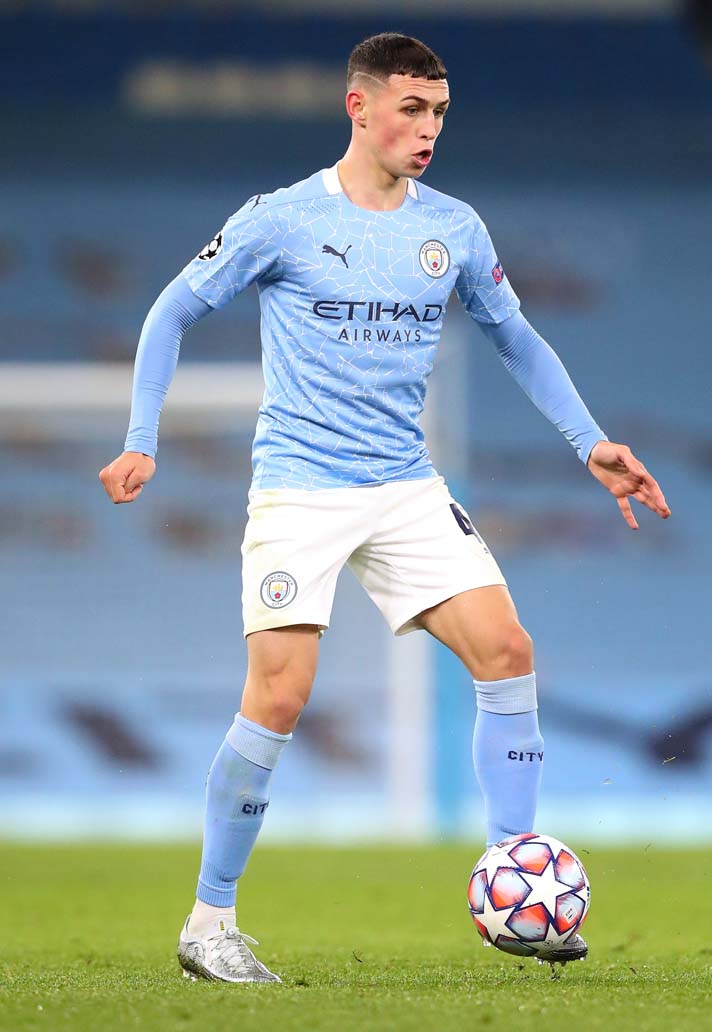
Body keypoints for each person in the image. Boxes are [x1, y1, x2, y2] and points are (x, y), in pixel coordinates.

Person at [98, 32, 670, 983]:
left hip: (405, 484)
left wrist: (591, 442)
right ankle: (209, 922)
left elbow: (517, 338)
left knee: (508, 650)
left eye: (439, 111)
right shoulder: (281, 220)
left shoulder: (456, 228)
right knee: (280, 695)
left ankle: (513, 881)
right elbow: (172, 310)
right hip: (301, 487)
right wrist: (141, 437)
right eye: (412, 108)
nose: (429, 128)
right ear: (357, 107)